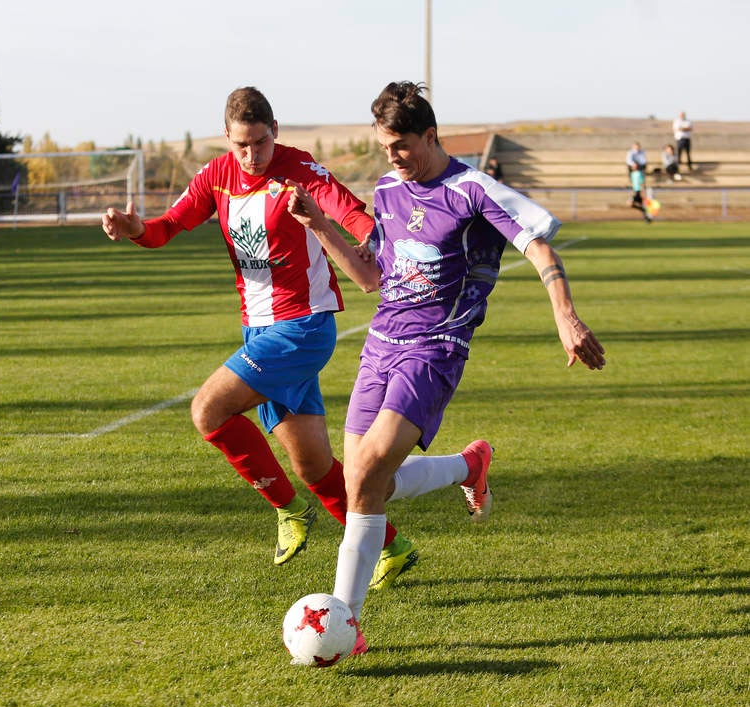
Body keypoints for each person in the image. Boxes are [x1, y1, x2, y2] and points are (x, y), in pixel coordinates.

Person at [287, 81, 606, 652]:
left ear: (430, 136)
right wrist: (318, 224)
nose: (392, 157)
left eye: (402, 145)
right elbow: (370, 279)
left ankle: (346, 627)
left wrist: (566, 316)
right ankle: (468, 466)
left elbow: (540, 249)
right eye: (385, 147)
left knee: (364, 478)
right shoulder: (387, 190)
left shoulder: (472, 190)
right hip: (381, 345)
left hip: (435, 347)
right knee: (363, 480)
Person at [101, 86, 413, 572]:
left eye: (261, 142)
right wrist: (135, 227)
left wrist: (376, 241)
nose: (252, 155)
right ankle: (391, 548)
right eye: (241, 144)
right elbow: (167, 228)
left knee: (208, 410)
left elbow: (347, 208)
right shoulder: (216, 176)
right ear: (227, 138)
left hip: (304, 328)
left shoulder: (298, 169)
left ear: (276, 132)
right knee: (313, 465)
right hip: (258, 332)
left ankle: (290, 512)